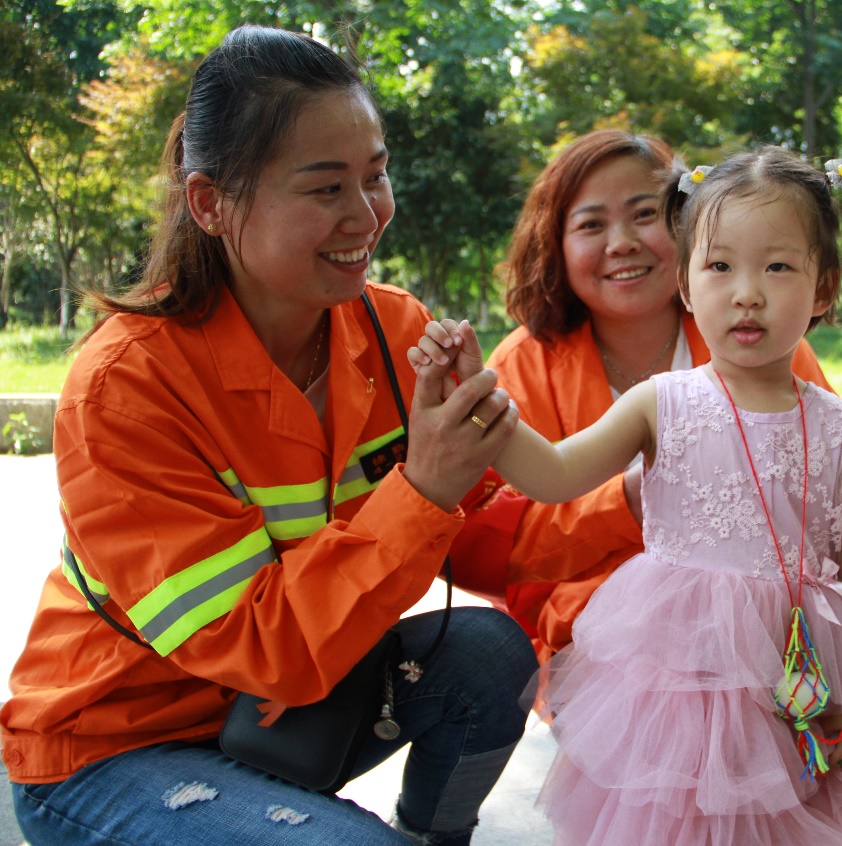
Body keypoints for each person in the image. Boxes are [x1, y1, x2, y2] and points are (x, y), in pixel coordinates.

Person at [0, 26, 552, 846]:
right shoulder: (126, 386)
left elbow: (484, 528)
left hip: (288, 722)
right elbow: (267, 646)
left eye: (375, 176)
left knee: (488, 655)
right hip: (114, 746)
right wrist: (422, 489)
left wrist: (645, 499)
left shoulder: (393, 328)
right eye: (325, 188)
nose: (366, 215)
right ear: (210, 203)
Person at [413, 148, 842, 844]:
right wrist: (475, 395)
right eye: (720, 265)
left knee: (803, 817)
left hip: (806, 671)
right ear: (686, 284)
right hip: (685, 686)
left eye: (778, 266)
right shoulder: (660, 404)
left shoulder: (836, 424)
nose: (746, 292)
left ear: (823, 290)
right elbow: (549, 473)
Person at [478, 129, 836, 662]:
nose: (621, 242)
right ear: (555, 243)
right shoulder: (518, 366)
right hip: (598, 648)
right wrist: (627, 500)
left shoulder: (759, 342)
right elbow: (487, 551)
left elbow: (837, 519)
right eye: (591, 224)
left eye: (644, 214)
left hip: (769, 637)